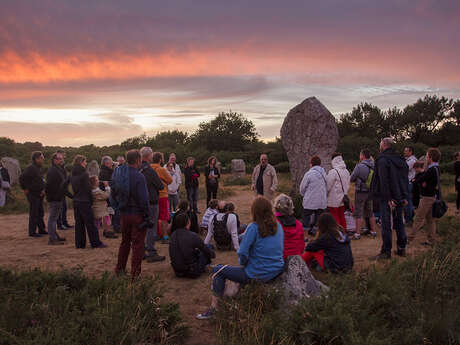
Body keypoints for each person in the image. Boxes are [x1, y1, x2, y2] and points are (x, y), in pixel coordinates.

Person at [197, 196, 284, 320]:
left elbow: (242, 253)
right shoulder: (278, 226)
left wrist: (243, 263)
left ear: (254, 211)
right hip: (276, 270)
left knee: (218, 270)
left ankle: (214, 309)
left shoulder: (253, 227)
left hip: (256, 273)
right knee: (231, 271)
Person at [113, 150, 152, 280]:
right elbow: (143, 199)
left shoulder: (119, 174)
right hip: (137, 215)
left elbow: (114, 193)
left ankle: (120, 270)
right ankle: (135, 274)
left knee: (124, 242)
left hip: (124, 213)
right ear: (138, 160)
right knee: (138, 245)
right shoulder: (139, 176)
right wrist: (147, 216)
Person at [369, 138, 408, 260]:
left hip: (387, 197)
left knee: (386, 224)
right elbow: (404, 179)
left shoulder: (382, 160)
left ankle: (386, 252)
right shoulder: (401, 160)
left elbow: (383, 180)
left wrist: (388, 198)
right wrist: (405, 196)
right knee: (399, 222)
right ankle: (401, 248)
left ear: (384, 145)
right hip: (400, 195)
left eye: (380, 143)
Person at [67, 155, 107, 249]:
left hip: (76, 201)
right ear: (81, 162)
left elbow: (62, 186)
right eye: (85, 162)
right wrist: (91, 200)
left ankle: (80, 244)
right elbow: (88, 188)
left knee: (79, 224)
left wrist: (72, 196)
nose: (86, 163)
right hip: (85, 202)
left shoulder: (72, 173)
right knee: (90, 224)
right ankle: (96, 243)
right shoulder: (84, 174)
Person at [407, 148, 442, 247]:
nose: (426, 158)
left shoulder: (431, 170)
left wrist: (420, 181)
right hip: (432, 197)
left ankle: (409, 239)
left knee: (418, 218)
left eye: (427, 156)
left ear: (430, 157)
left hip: (426, 198)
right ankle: (431, 240)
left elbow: (419, 179)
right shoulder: (436, 168)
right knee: (430, 220)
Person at [169, 212, 215, 278]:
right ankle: (203, 266)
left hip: (177, 271)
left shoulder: (173, 235)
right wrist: (212, 254)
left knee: (200, 249)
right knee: (208, 247)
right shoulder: (192, 235)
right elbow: (206, 250)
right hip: (192, 272)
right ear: (188, 222)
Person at [139, 147, 166, 263]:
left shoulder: (137, 168)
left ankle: (141, 251)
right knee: (151, 227)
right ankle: (151, 251)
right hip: (151, 202)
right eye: (151, 155)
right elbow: (160, 186)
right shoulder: (149, 170)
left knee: (142, 227)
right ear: (148, 156)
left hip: (140, 202)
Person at [45, 152, 73, 245]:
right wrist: (70, 196)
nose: (62, 160)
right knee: (53, 218)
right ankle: (52, 239)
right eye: (60, 159)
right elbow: (51, 186)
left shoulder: (58, 169)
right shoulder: (53, 171)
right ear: (54, 160)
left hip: (57, 197)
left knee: (54, 217)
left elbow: (62, 185)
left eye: (62, 159)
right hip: (55, 198)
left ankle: (55, 236)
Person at [350, 149, 377, 239]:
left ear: (362, 156)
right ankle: (373, 231)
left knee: (359, 212)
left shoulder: (359, 166)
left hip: (361, 191)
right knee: (370, 212)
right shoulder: (374, 165)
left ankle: (357, 233)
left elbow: (352, 177)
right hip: (370, 191)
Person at [19, 151, 47, 237]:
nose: (43, 160)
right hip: (33, 194)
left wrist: (43, 189)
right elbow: (21, 178)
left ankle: (41, 229)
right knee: (34, 213)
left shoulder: (38, 168)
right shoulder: (31, 168)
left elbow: (39, 180)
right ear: (36, 159)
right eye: (41, 158)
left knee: (40, 212)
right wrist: (25, 189)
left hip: (39, 194)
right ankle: (32, 232)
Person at [299, 155, 327, 235]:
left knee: (306, 216)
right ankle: (315, 232)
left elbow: (302, 187)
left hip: (310, 200)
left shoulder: (309, 174)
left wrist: (304, 195)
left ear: (311, 164)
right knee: (318, 218)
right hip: (321, 201)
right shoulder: (324, 174)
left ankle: (305, 235)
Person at [274, 194, 305, 260]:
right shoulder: (298, 224)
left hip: (279, 258)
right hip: (296, 258)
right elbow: (302, 245)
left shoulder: (274, 223)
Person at [151, 152, 173, 243]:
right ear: (160, 159)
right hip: (163, 195)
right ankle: (164, 236)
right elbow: (170, 180)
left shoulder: (149, 168)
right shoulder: (161, 169)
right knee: (164, 217)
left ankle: (155, 234)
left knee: (154, 216)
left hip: (152, 195)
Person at [326, 153, 350, 230]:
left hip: (333, 198)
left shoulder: (333, 171)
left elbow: (328, 186)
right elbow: (348, 183)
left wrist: (325, 194)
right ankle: (343, 232)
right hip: (343, 197)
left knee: (334, 216)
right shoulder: (346, 171)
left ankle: (337, 233)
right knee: (341, 216)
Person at [99, 156, 120, 233]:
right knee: (111, 211)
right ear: (106, 163)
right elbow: (112, 182)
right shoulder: (106, 172)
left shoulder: (105, 170)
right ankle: (113, 228)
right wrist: (115, 168)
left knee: (110, 212)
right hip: (109, 194)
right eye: (111, 162)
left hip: (108, 194)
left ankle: (110, 227)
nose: (112, 163)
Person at [56, 150, 73, 230]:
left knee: (64, 208)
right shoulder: (56, 169)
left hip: (63, 191)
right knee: (60, 209)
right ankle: (60, 224)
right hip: (59, 192)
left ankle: (64, 223)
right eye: (62, 157)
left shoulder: (62, 167)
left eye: (63, 157)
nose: (63, 158)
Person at [404, 146, 417, 224]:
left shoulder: (412, 160)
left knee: (407, 201)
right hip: (408, 182)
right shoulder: (408, 160)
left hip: (408, 183)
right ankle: (409, 218)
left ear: (411, 152)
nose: (404, 152)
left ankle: (409, 219)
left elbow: (404, 169)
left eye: (406, 151)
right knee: (408, 201)